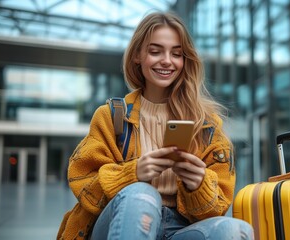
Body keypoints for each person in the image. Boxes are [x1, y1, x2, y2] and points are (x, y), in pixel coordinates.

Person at [57, 11, 254, 240]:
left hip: (179, 230)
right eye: (155, 51)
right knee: (141, 194)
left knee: (236, 230)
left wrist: (198, 185)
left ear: (185, 60)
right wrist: (133, 174)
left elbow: (217, 208)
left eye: (176, 54)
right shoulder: (112, 117)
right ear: (137, 56)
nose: (167, 60)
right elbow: (82, 182)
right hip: (118, 222)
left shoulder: (207, 126)